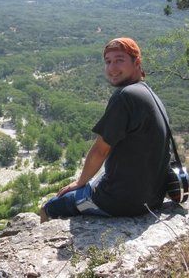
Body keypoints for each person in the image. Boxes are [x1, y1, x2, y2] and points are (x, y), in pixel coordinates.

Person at [40, 37, 170, 222]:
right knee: (98, 179)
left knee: (50, 207)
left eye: (119, 60)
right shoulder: (148, 92)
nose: (112, 68)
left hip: (118, 202)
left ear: (137, 62)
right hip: (153, 198)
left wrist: (79, 183)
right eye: (108, 61)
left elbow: (100, 150)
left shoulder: (125, 96)